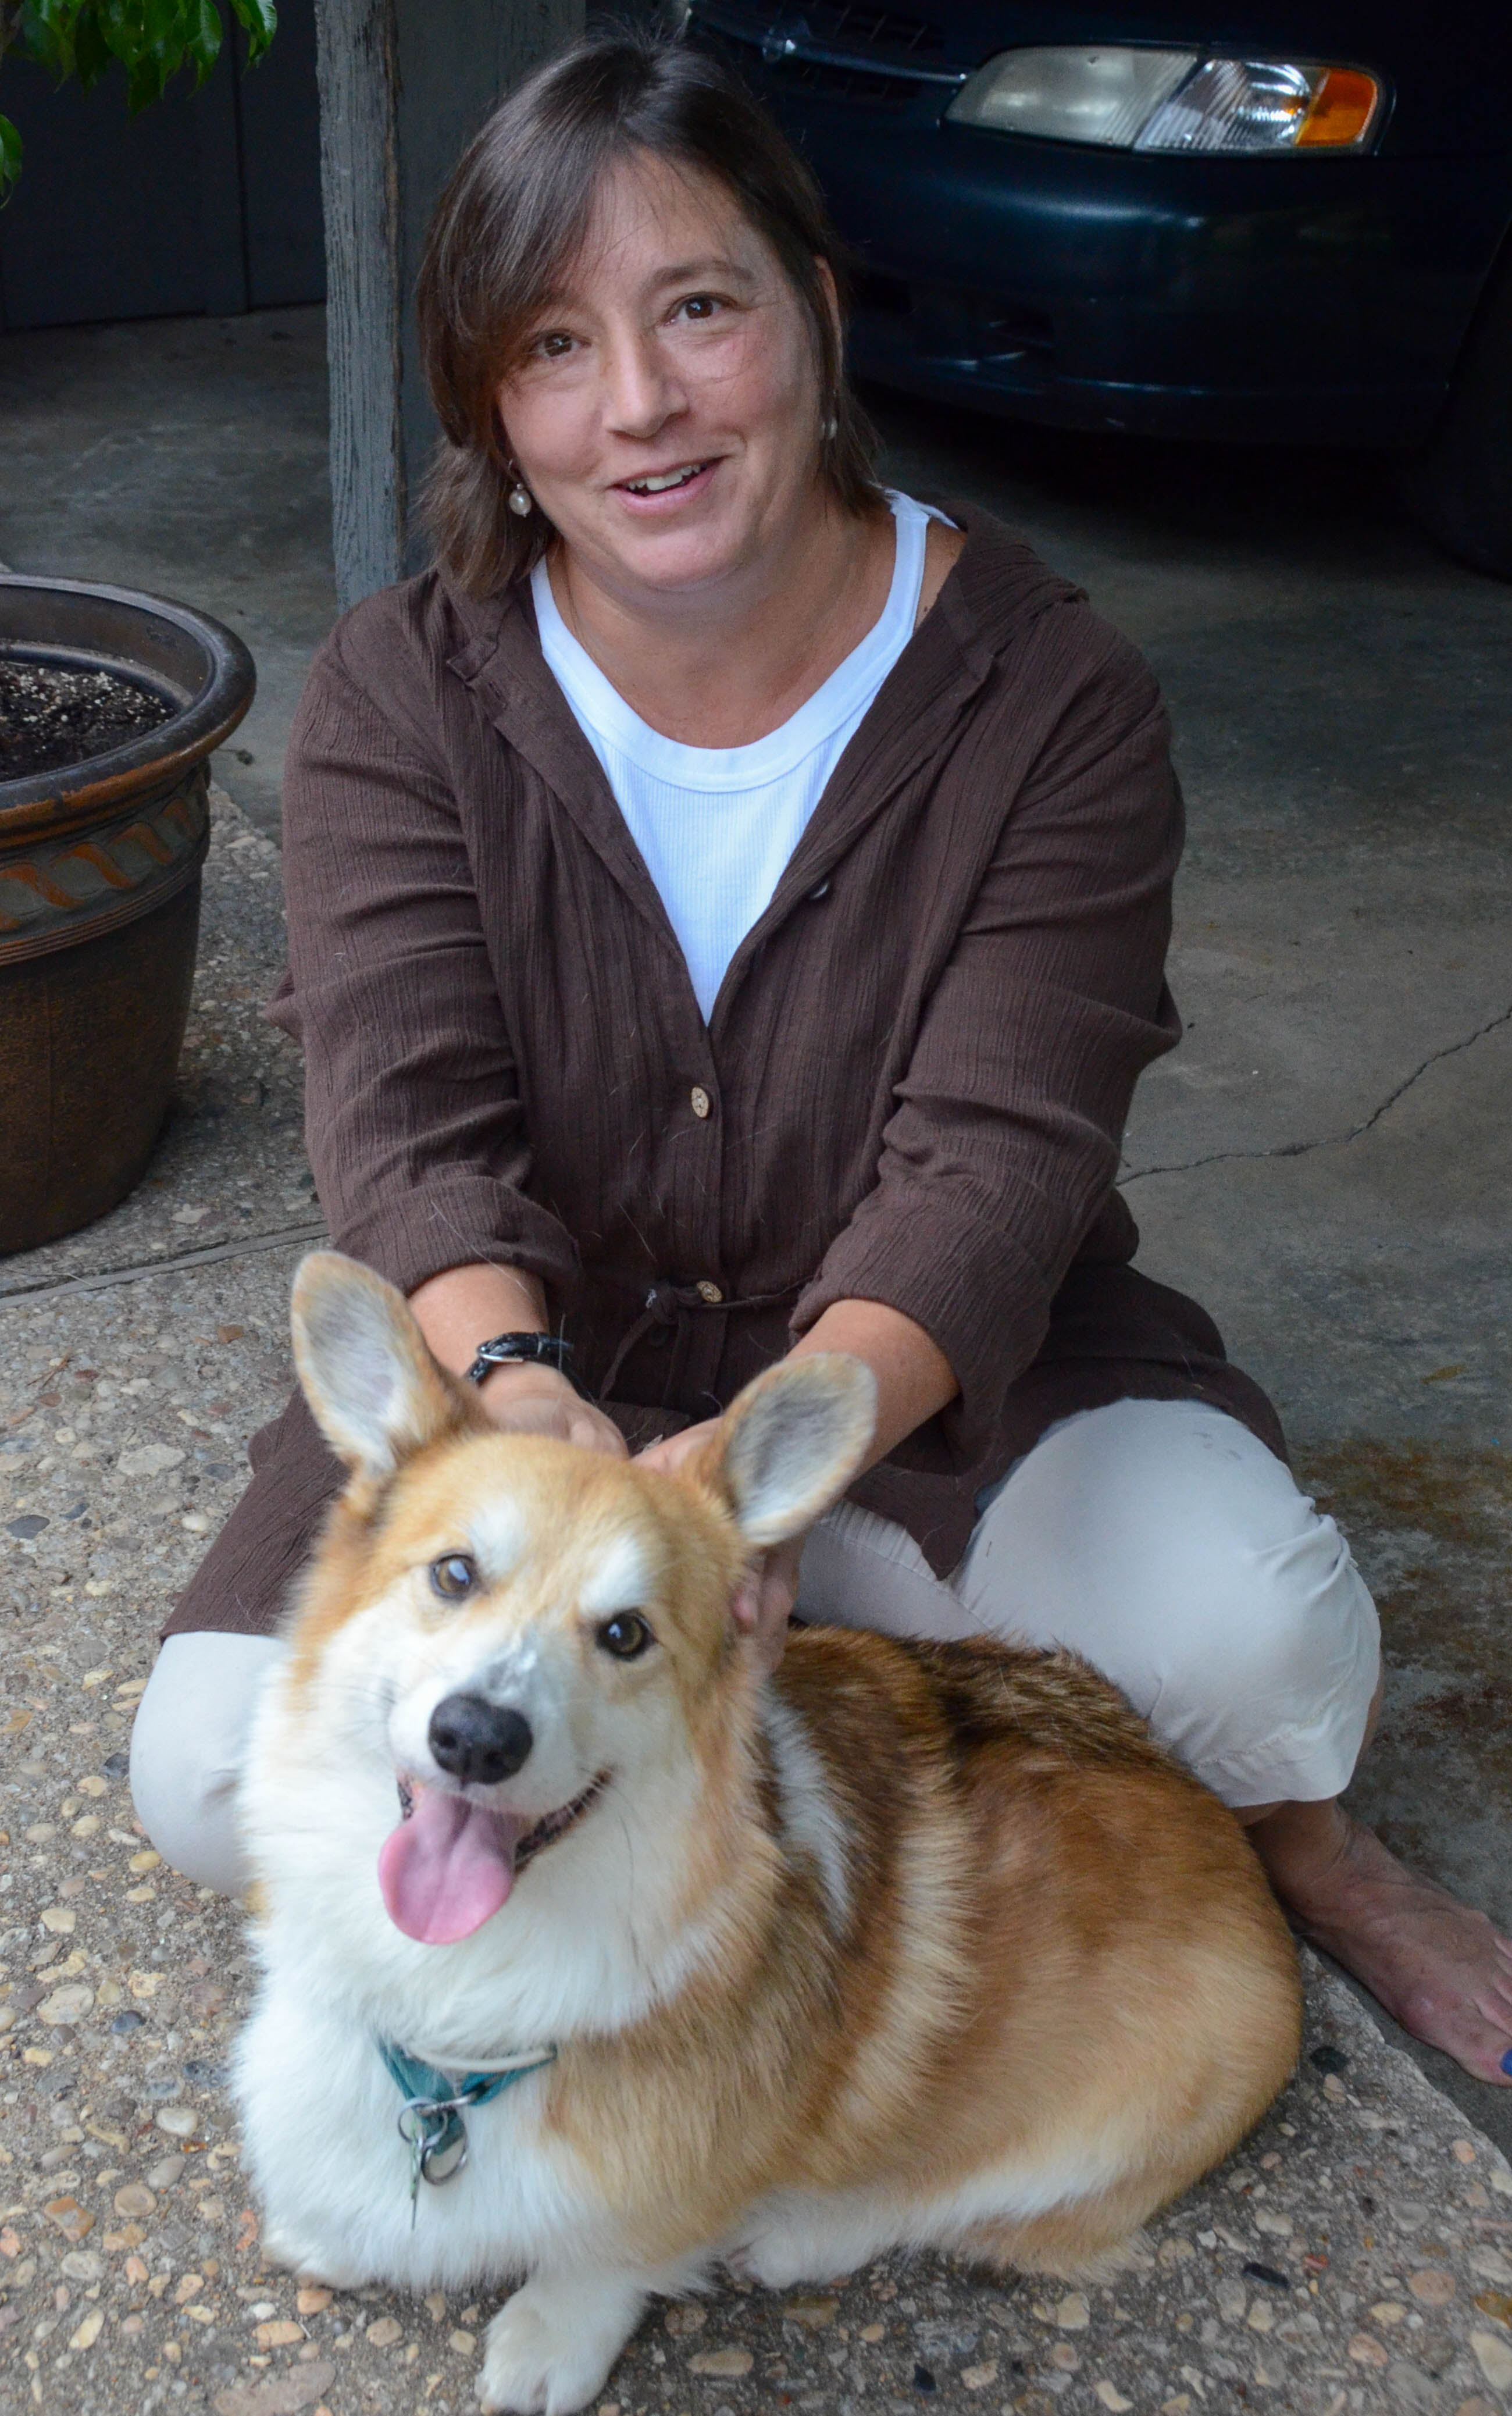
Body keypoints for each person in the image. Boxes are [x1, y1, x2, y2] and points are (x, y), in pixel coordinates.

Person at [131, 31, 1511, 2086]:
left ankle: (1287, 1842)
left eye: (700, 309)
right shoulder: (401, 696)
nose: (642, 409)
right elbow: (411, 1128)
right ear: (493, 412)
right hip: (548, 1426)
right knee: (204, 1780)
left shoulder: (1049, 696)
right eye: (555, 348)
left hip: (920, 1401)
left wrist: (766, 1480)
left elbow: (1002, 1159)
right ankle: (711, 1792)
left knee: (1263, 1654)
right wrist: (524, 1407)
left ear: (818, 311)